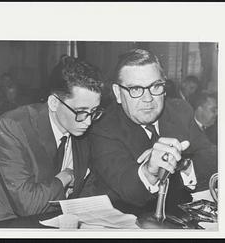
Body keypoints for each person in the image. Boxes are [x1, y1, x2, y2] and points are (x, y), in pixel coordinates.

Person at [88, 49, 217, 215]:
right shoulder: (103, 127)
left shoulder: (180, 111)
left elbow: (212, 158)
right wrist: (149, 171)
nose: (148, 98)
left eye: (155, 86)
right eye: (135, 89)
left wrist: (184, 164)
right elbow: (127, 188)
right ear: (118, 93)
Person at [0, 55, 104, 223]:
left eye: (94, 111)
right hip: (11, 225)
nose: (88, 122)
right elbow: (28, 205)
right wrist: (65, 177)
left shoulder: (82, 126)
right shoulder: (11, 128)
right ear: (54, 103)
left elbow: (89, 187)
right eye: (81, 111)